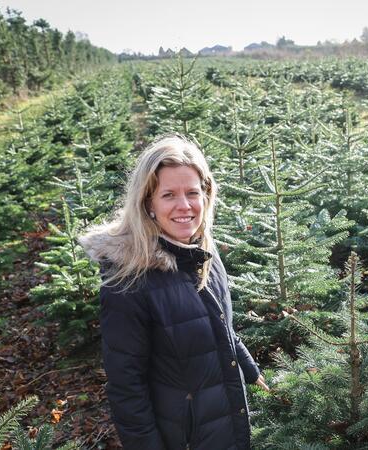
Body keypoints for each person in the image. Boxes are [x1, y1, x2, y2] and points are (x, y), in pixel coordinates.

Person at [79, 134, 268, 450]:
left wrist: (249, 369)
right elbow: (127, 388)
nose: (184, 206)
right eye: (168, 195)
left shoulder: (203, 252)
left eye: (192, 193)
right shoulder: (128, 279)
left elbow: (220, 325)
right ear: (148, 202)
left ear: (206, 195)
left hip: (226, 423)